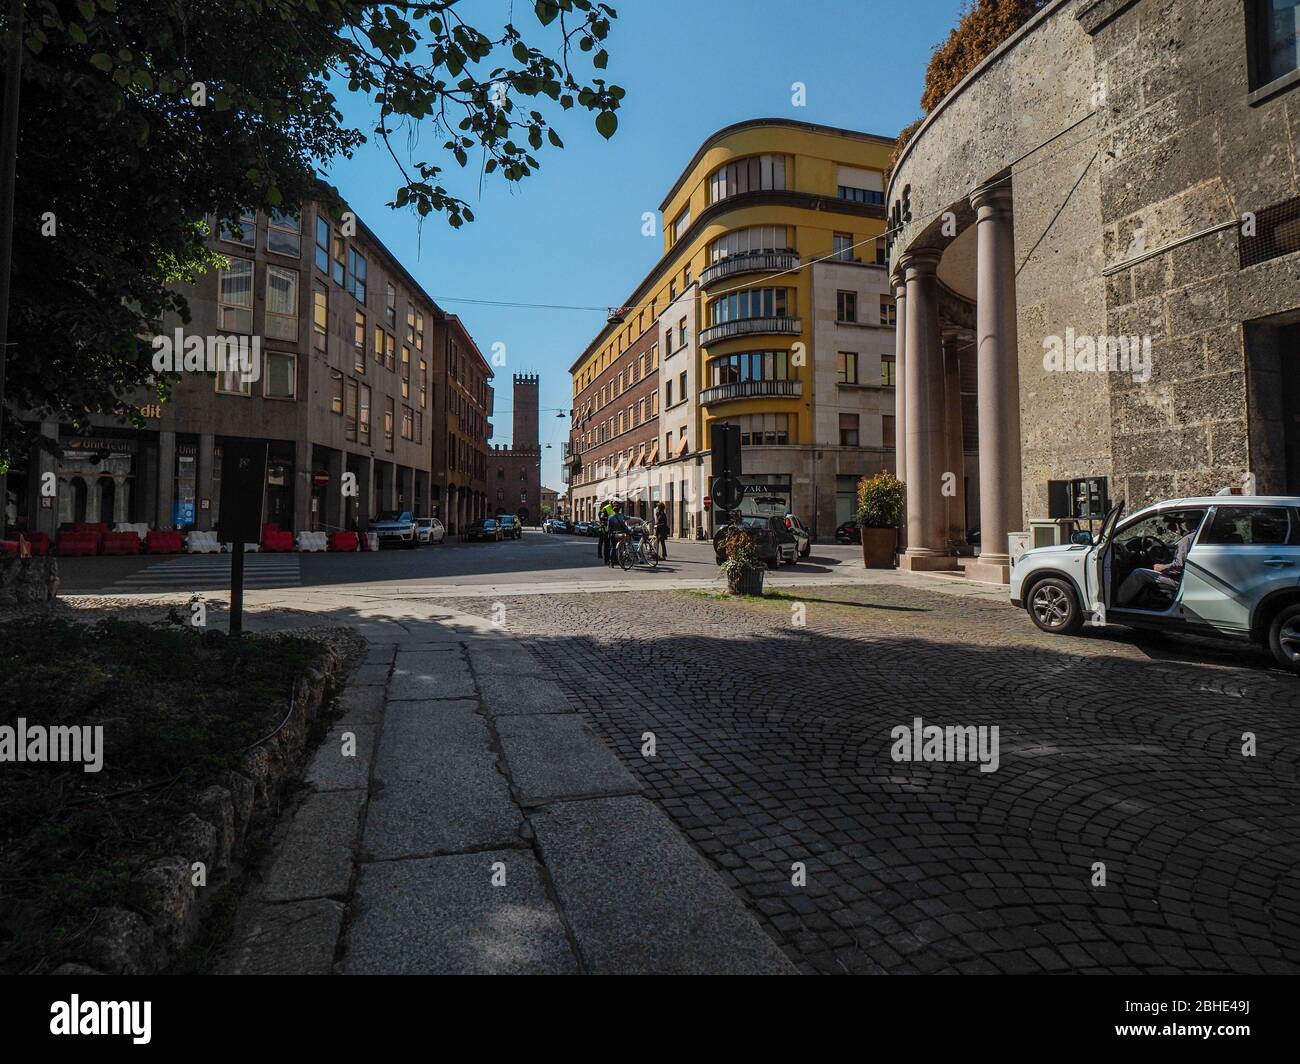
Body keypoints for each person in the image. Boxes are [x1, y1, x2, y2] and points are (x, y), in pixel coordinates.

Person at [1117, 513, 1197, 608]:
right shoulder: (1195, 537)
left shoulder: (1187, 540)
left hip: (1178, 581)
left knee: (1138, 573)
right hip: (1187, 580)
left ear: (1188, 523)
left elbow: (1178, 567)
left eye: (1184, 521)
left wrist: (1161, 567)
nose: (1183, 524)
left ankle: (1118, 602)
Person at [605, 501, 629, 567]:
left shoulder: (610, 517)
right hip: (621, 534)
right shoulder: (622, 516)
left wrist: (607, 532)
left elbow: (608, 528)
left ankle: (611, 563)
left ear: (613, 510)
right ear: (619, 509)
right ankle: (621, 561)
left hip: (614, 534)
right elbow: (626, 521)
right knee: (622, 547)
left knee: (613, 548)